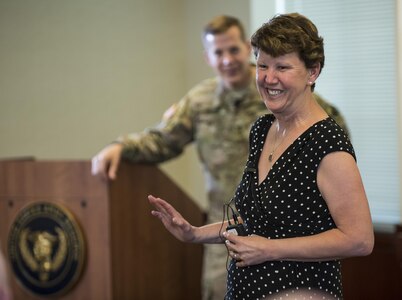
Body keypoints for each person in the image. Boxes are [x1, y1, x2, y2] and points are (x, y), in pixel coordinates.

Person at [92, 15, 350, 300]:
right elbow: (163, 139)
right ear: (208, 58)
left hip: (292, 245)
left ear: (244, 47)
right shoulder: (204, 102)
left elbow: (335, 164)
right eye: (219, 53)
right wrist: (120, 146)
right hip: (225, 229)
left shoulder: (289, 97)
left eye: (233, 50)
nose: (227, 60)